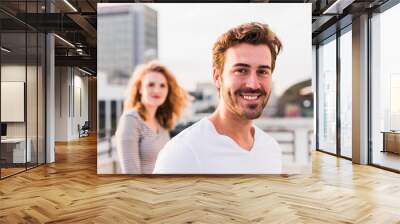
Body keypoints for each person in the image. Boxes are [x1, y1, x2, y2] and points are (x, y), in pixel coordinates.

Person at [153, 22, 283, 174]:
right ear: (217, 77)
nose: (253, 84)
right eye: (241, 70)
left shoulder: (271, 149)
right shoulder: (183, 153)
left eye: (262, 72)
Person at [115, 61, 188, 174]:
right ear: (140, 88)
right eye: (151, 84)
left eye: (162, 85)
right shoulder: (130, 120)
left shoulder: (162, 122)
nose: (157, 90)